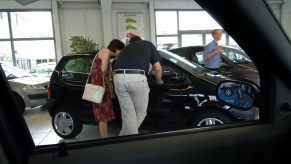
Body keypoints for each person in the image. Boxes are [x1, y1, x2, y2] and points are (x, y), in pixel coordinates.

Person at [113, 36, 164, 136]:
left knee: (128, 115)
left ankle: (122, 139)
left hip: (118, 77)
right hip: (136, 78)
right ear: (140, 40)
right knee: (140, 113)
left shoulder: (126, 49)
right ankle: (128, 141)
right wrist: (159, 81)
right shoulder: (148, 44)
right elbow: (158, 69)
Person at [91, 39, 125, 138]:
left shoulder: (102, 52)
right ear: (117, 49)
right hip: (100, 88)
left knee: (102, 117)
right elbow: (103, 69)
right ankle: (104, 140)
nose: (121, 54)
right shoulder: (105, 51)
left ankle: (104, 139)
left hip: (98, 87)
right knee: (103, 117)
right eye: (121, 51)